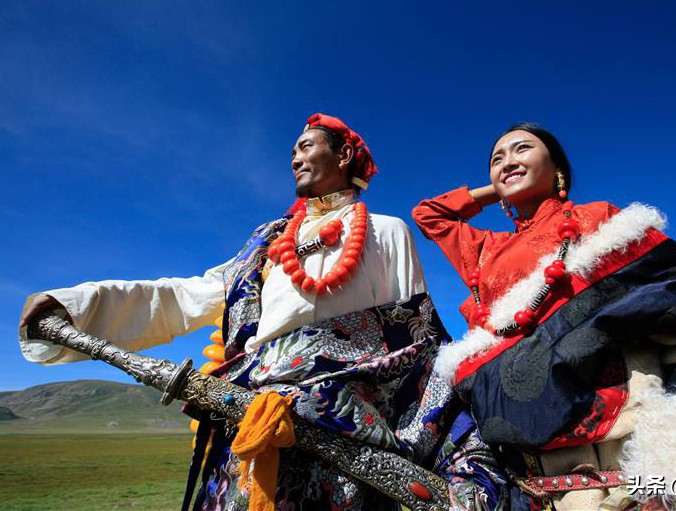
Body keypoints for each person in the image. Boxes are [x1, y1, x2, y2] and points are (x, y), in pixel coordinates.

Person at [19, 114, 506, 510]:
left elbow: (415, 344)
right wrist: (78, 306)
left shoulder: (386, 231)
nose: (295, 155)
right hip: (252, 417)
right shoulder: (266, 243)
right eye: (292, 148)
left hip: (351, 430)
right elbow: (187, 296)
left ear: (343, 155)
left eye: (308, 145)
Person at [413, 123, 676, 510]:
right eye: (497, 159)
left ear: (557, 166)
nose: (507, 162)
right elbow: (429, 215)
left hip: (621, 414)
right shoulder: (485, 249)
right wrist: (505, 186)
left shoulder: (597, 217)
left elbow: (659, 294)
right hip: (526, 440)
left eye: (522, 149)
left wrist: (536, 178)